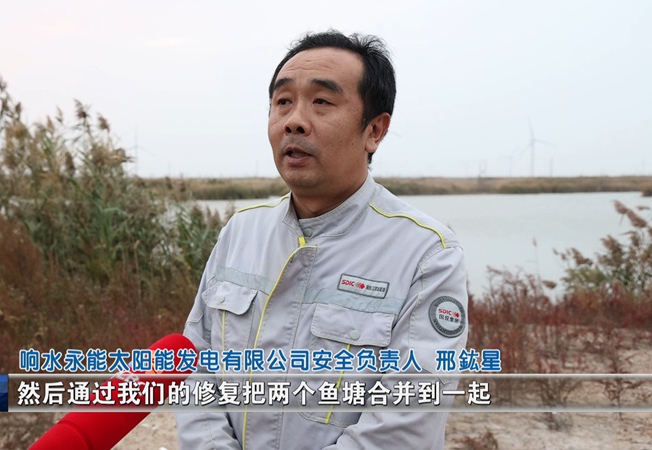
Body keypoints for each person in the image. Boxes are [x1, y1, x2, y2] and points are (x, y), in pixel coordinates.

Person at [175, 30, 468, 449]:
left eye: (322, 102)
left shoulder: (426, 253)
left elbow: (405, 422)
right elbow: (194, 363)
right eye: (283, 101)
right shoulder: (242, 231)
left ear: (374, 130)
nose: (294, 120)